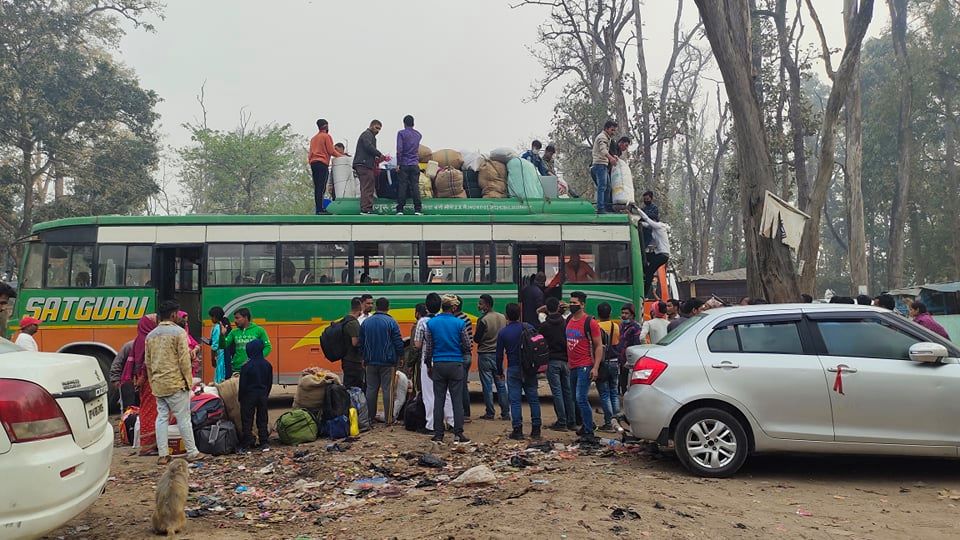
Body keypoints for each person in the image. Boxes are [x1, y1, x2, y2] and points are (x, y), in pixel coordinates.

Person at [145, 300, 206, 464]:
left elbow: (148, 363)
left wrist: (153, 382)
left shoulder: (150, 335)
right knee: (183, 419)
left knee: (161, 418)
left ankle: (163, 455)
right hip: (176, 383)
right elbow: (184, 360)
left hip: (159, 384)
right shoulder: (179, 332)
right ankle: (192, 452)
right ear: (173, 315)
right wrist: (188, 382)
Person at [423, 295, 472, 443]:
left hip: (438, 364)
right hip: (456, 364)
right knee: (457, 400)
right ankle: (458, 433)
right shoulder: (459, 323)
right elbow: (467, 345)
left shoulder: (431, 323)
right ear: (453, 307)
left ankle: (438, 434)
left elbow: (429, 347)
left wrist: (428, 365)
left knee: (439, 399)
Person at [494, 302, 542, 440]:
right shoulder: (529, 327)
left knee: (515, 400)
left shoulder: (503, 332)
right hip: (529, 368)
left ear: (506, 315)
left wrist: (500, 371)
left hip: (513, 368)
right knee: (533, 398)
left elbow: (499, 355)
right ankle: (536, 429)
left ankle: (518, 430)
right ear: (520, 314)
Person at [359, 297, 404, 424]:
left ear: (375, 307)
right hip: (387, 362)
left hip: (370, 361)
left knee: (371, 389)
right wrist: (400, 356)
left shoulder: (366, 323)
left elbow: (361, 343)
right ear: (388, 307)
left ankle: (369, 418)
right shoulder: (391, 322)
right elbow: (397, 342)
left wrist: (363, 357)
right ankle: (389, 419)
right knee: (387, 390)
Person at [414, 293, 454, 434]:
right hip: (443, 358)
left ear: (426, 306)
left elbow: (418, 345)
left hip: (428, 360)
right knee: (446, 391)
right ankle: (451, 421)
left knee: (429, 393)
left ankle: (431, 424)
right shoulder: (443, 319)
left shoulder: (422, 322)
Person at [566, 291, 603, 440]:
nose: (572, 305)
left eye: (575, 303)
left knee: (581, 398)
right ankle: (587, 424)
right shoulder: (569, 319)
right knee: (575, 399)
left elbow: (599, 345)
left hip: (585, 365)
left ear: (582, 304)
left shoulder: (590, 322)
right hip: (572, 366)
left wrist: (595, 367)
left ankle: (589, 431)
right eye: (571, 302)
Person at [539, 297, 575, 431]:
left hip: (552, 361)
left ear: (547, 309)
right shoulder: (566, 323)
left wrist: (543, 309)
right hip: (566, 361)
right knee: (567, 392)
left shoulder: (544, 325)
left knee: (557, 392)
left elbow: (540, 314)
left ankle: (561, 422)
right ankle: (571, 421)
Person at [474, 294, 509, 421]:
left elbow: (477, 339)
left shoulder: (483, 320)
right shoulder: (502, 318)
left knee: (487, 386)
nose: (479, 306)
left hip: (485, 355)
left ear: (487, 305)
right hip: (498, 356)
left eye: (481, 303)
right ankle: (505, 413)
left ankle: (490, 412)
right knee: (501, 384)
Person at [132, 313, 159, 456]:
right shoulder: (147, 340)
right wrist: (143, 377)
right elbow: (146, 362)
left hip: (145, 380)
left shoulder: (139, 339)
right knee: (150, 411)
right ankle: (148, 446)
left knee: (148, 410)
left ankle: (149, 445)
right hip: (148, 380)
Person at [239, 339, 272, 451]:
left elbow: (242, 384)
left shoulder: (246, 366)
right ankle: (264, 442)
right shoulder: (267, 365)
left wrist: (241, 397)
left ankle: (247, 443)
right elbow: (269, 382)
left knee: (247, 420)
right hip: (262, 395)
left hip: (249, 396)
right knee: (262, 418)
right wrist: (265, 394)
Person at [308, 119, 345, 215]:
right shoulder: (326, 136)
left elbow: (310, 154)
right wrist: (342, 157)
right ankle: (320, 209)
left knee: (317, 187)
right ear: (326, 126)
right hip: (322, 163)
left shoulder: (313, 139)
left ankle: (318, 208)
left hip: (313, 164)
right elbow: (331, 151)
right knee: (321, 187)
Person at [594, 302, 621, 432]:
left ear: (598, 313)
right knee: (614, 392)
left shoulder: (597, 326)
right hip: (615, 361)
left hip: (603, 362)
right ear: (610, 313)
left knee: (604, 394)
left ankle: (609, 422)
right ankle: (617, 420)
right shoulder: (615, 326)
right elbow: (617, 342)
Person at [223, 308, 272, 373]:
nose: (235, 321)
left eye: (237, 318)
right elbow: (223, 345)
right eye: (235, 318)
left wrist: (256, 359)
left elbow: (268, 347)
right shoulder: (234, 332)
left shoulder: (259, 330)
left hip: (254, 369)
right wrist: (222, 335)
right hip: (237, 369)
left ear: (245, 317)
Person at [354, 120, 385, 215]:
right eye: (376, 128)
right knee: (368, 186)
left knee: (366, 185)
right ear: (371, 126)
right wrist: (379, 154)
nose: (378, 131)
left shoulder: (370, 136)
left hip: (364, 164)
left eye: (379, 129)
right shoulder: (367, 134)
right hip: (364, 164)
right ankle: (366, 209)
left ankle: (365, 208)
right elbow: (368, 147)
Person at [639, 207, 670, 298]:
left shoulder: (659, 226)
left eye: (652, 221)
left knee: (650, 272)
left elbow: (646, 220)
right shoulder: (654, 229)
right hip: (658, 254)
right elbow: (644, 224)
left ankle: (644, 293)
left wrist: (637, 209)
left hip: (662, 255)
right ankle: (645, 271)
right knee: (643, 257)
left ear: (654, 220)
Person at [395, 115, 423, 216]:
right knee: (415, 186)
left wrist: (398, 164)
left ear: (404, 123)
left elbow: (399, 150)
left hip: (404, 163)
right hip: (415, 164)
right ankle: (418, 209)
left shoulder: (401, 133)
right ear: (413, 123)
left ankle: (400, 210)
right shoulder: (418, 135)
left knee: (403, 186)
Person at [591, 120, 618, 214]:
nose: (613, 132)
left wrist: (613, 156)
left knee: (608, 187)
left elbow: (605, 150)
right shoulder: (602, 137)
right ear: (606, 129)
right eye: (612, 130)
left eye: (614, 130)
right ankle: (601, 208)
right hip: (599, 165)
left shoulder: (607, 138)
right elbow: (603, 150)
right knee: (602, 187)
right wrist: (610, 158)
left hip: (604, 165)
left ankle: (606, 207)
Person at [453, 295, 473, 421]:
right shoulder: (466, 318)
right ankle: (465, 412)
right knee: (463, 385)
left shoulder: (457, 321)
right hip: (467, 355)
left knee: (459, 387)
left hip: (461, 355)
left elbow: (461, 341)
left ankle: (464, 414)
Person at [616, 303, 641, 394]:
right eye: (622, 313)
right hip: (620, 359)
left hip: (629, 360)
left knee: (628, 384)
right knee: (620, 382)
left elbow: (637, 345)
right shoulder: (621, 325)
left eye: (626, 313)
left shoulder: (636, 327)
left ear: (632, 315)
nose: (623, 315)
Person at [341, 298, 365, 390]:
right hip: (353, 361)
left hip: (347, 359)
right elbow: (355, 342)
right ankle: (352, 404)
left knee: (348, 385)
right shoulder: (353, 323)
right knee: (355, 387)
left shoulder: (345, 320)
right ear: (360, 308)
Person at [109, 339, 136, 410]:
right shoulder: (130, 346)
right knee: (130, 411)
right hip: (129, 384)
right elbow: (117, 364)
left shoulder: (152, 345)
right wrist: (116, 380)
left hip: (145, 387)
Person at [208, 307, 229, 384]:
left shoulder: (217, 327)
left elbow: (215, 346)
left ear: (216, 316)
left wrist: (212, 359)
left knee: (219, 377)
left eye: (212, 316)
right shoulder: (223, 325)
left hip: (220, 355)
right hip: (224, 353)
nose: (211, 319)